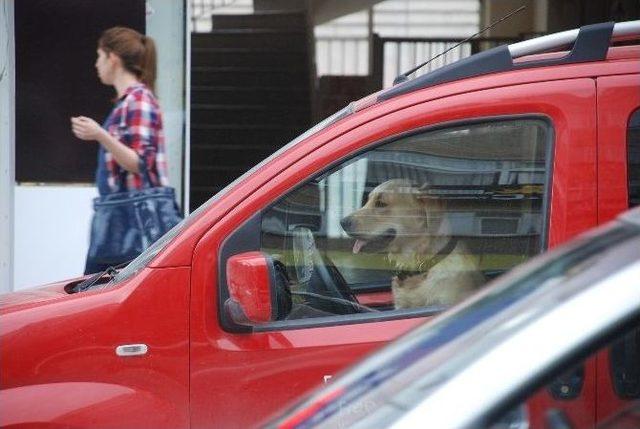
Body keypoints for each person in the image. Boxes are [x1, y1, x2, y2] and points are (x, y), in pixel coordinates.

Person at [71, 27, 171, 275]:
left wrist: (99, 134)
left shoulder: (138, 100)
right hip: (122, 217)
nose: (96, 64)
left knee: (100, 294)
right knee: (99, 292)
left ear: (112, 58)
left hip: (131, 220)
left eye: (99, 56)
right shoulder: (129, 101)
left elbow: (140, 163)